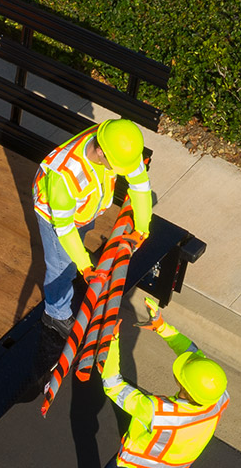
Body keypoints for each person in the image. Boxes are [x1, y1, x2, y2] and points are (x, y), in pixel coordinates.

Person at [93, 297, 230, 468]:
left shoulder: (156, 410)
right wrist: (162, 327)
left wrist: (111, 342)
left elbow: (112, 386)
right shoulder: (217, 394)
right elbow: (193, 352)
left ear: (182, 385)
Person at [33, 119, 153, 336]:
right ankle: (55, 314)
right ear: (100, 152)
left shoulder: (115, 140)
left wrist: (143, 227)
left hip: (84, 206)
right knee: (61, 267)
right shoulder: (65, 176)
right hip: (54, 215)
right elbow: (64, 228)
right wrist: (84, 267)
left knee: (76, 247)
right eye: (118, 167)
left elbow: (140, 184)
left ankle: (75, 265)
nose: (123, 171)